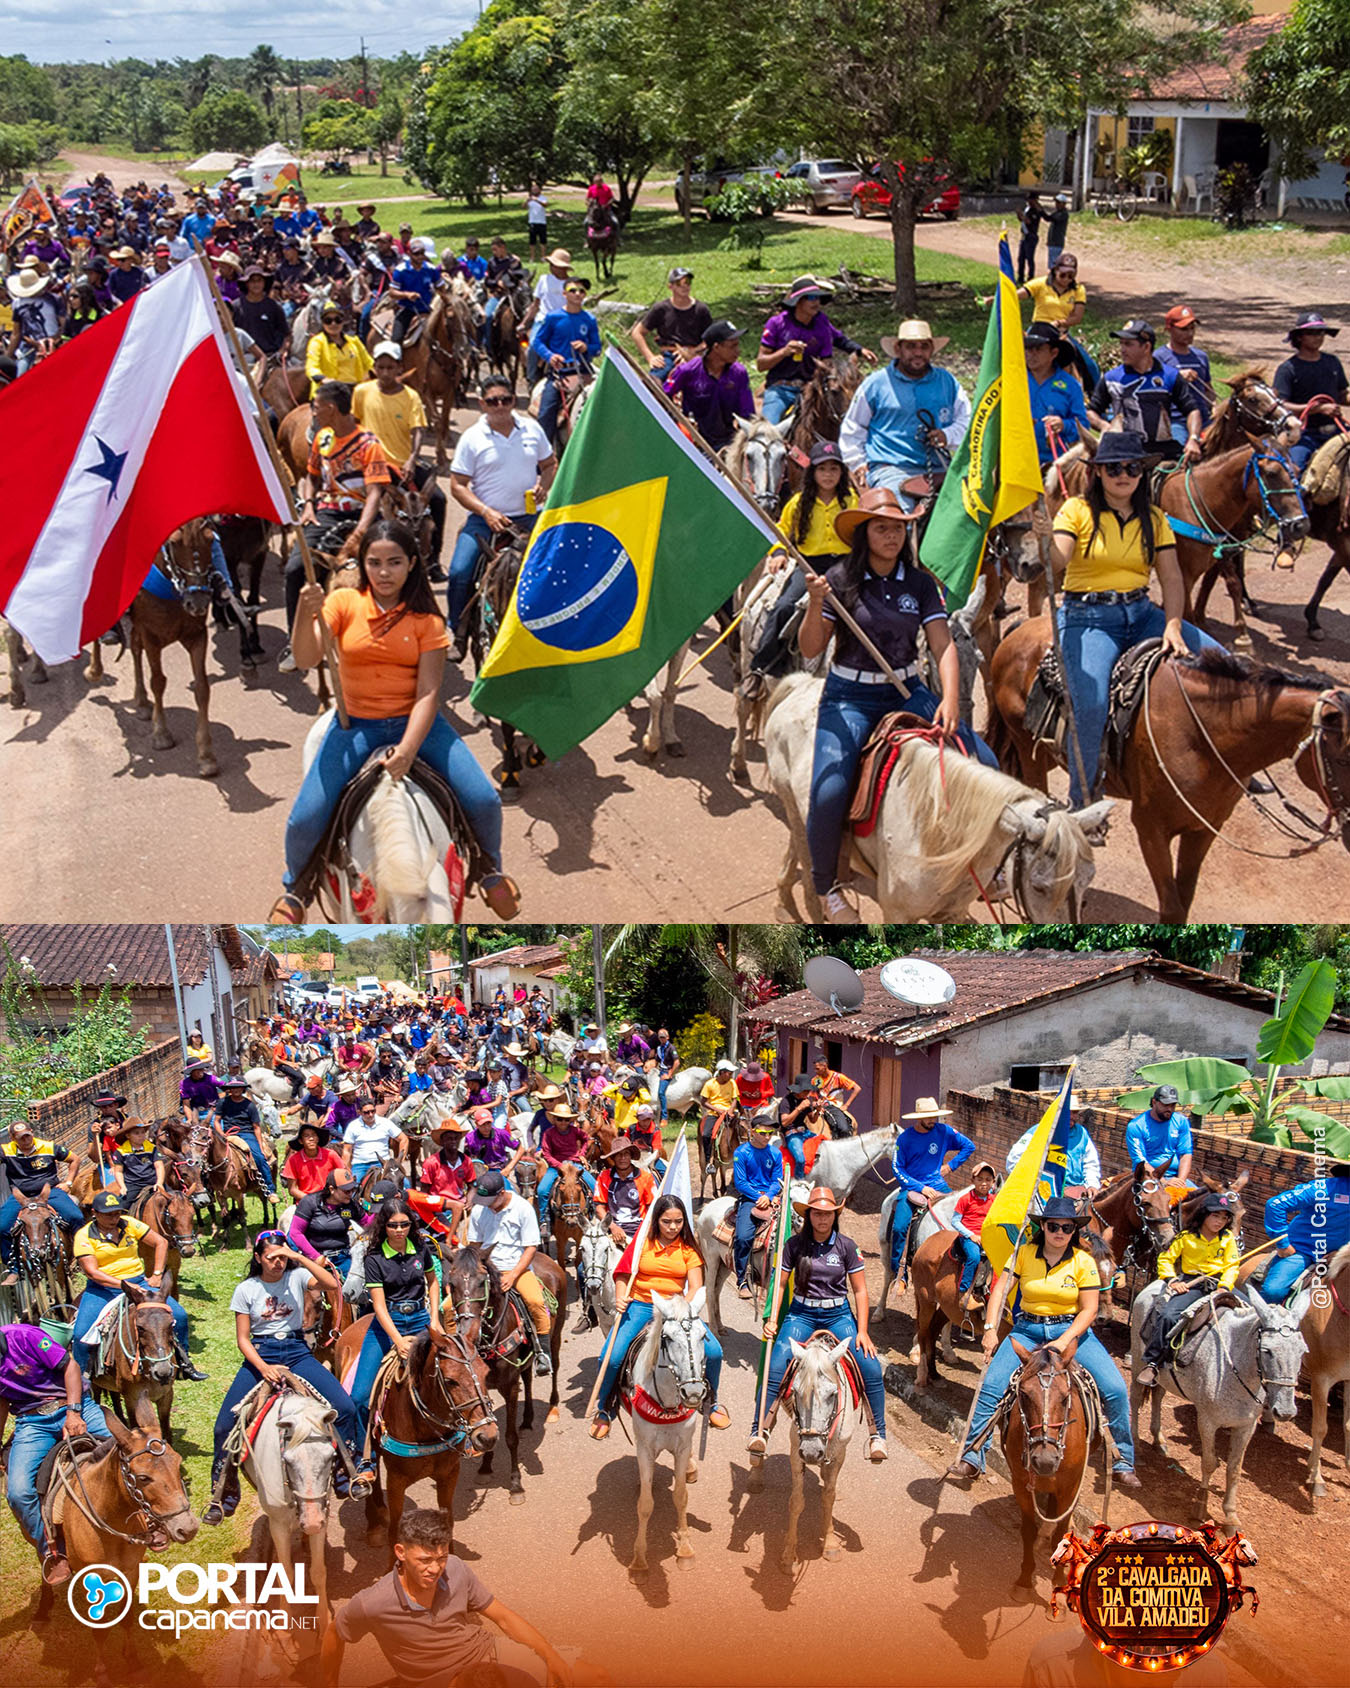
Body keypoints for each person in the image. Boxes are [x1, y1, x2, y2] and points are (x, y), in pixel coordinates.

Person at [273, 520, 519, 922]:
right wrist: (305, 612)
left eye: (394, 562)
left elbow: (428, 693)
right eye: (374, 562)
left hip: (417, 726)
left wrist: (407, 750)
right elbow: (304, 659)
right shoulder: (343, 603)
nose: (384, 572)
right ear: (363, 565)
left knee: (484, 799)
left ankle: (490, 870)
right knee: (304, 817)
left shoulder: (428, 621)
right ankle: (296, 890)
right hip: (355, 726)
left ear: (411, 565)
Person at [799, 486, 999, 920]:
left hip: (908, 690)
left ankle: (989, 862)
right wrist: (815, 604)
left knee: (987, 762)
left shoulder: (921, 584)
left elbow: (942, 645)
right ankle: (826, 887)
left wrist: (949, 699)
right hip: (849, 696)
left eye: (898, 529)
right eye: (882, 528)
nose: (891, 536)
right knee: (828, 790)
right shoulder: (838, 580)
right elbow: (812, 647)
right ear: (864, 534)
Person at [1051, 429, 1221, 806]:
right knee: (1092, 703)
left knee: (1224, 662)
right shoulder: (1075, 511)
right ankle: (1082, 800)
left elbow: (1172, 578)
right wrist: (1041, 540)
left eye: (1132, 467)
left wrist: (1174, 623)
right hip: (1088, 617)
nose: (1123, 474)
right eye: (1113, 468)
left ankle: (1235, 764)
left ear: (1142, 474)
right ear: (1098, 472)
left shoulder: (1155, 518)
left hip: (1143, 612)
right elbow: (1057, 560)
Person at [946, 1196, 1138, 1486]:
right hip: (1027, 1329)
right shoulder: (1023, 1253)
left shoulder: (1083, 1261)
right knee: (990, 1387)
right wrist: (988, 1328)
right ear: (1043, 1227)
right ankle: (974, 1454)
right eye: (1053, 1226)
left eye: (1067, 1227)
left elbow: (1089, 1310)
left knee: (1115, 1389)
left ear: (1074, 1230)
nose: (1060, 1232)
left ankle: (1122, 1457)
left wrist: (1064, 1340)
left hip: (1073, 1332)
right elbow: (999, 1291)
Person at [205, 1228, 365, 1523]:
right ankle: (223, 1495)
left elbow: (331, 1284)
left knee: (343, 1407)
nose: (277, 1263)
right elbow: (242, 1338)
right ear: (258, 1258)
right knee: (223, 1425)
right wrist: (263, 1368)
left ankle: (349, 1473)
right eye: (271, 1258)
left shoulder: (298, 1277)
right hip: (260, 1353)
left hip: (296, 1350)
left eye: (281, 1257)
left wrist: (297, 1257)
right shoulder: (246, 1289)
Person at [321, 1505, 574, 1688]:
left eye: (440, 1558)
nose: (434, 1569)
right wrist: (329, 1683)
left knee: (594, 1677)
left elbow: (504, 1617)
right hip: (439, 1679)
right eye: (425, 1560)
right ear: (400, 1552)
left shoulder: (455, 1567)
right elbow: (335, 1633)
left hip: (485, 1652)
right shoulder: (372, 1603)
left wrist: (551, 1656)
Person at [749, 1185, 886, 1460]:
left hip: (838, 1316)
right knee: (777, 1363)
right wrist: (773, 1319)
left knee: (870, 1365)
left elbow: (860, 1290)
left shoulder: (847, 1246)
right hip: (802, 1314)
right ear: (808, 1215)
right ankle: (760, 1430)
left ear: (835, 1215)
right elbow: (780, 1284)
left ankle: (877, 1435)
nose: (822, 1219)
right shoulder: (794, 1246)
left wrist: (862, 1331)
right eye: (817, 1214)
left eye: (828, 1214)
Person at [591, 1194, 727, 1438]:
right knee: (610, 1358)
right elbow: (622, 1274)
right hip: (641, 1305)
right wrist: (621, 1296)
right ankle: (605, 1407)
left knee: (715, 1352)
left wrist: (681, 1310)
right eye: (666, 1221)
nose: (673, 1227)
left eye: (678, 1221)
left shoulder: (688, 1250)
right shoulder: (642, 1243)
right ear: (656, 1221)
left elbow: (696, 1287)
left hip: (676, 1308)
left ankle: (711, 1402)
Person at [445, 371, 555, 650]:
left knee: (559, 566)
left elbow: (549, 463)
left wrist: (544, 485)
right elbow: (457, 485)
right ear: (482, 404)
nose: (501, 406)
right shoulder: (471, 438)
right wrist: (486, 512)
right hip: (487, 520)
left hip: (529, 516)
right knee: (459, 571)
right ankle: (458, 631)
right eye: (493, 401)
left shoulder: (532, 429)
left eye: (506, 400)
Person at [0, 1313, 110, 1584]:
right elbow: (2, 1401)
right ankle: (53, 1552)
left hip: (73, 1405)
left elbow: (70, 1367)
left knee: (128, 1450)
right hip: (31, 1422)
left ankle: (150, 1522)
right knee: (17, 1492)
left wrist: (73, 1413)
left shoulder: (25, 1335)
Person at [749, 440, 858, 680]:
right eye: (822, 469)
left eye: (834, 469)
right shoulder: (798, 503)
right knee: (783, 607)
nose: (828, 475)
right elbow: (780, 532)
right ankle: (763, 667)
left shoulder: (852, 502)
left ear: (842, 473)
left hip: (845, 567)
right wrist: (779, 552)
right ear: (813, 473)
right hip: (809, 567)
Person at [71, 1192, 205, 1379]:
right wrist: (123, 1285)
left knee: (180, 1316)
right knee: (81, 1334)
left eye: (117, 1213)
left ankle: (183, 1363)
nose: (114, 1218)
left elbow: (160, 1242)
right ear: (95, 1213)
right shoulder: (84, 1236)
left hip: (139, 1283)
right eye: (108, 1214)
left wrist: (157, 1274)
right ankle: (81, 1377)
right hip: (102, 1288)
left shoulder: (129, 1223)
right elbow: (92, 1272)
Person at [839, 319, 971, 504]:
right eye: (911, 346)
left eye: (924, 346)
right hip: (890, 468)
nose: (918, 352)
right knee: (901, 518)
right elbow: (854, 426)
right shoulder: (876, 384)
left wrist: (946, 435)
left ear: (931, 350)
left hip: (939, 465)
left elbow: (967, 420)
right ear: (898, 349)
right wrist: (858, 463)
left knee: (966, 511)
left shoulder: (947, 381)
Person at [349, 1196, 446, 1449]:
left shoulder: (421, 1248)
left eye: (404, 1224)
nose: (399, 1230)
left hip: (421, 1319)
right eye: (393, 1225)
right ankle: (362, 1456)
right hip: (386, 1326)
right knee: (359, 1397)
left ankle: (461, 1434)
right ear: (384, 1226)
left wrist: (434, 1319)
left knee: (455, 1370)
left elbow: (433, 1282)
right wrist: (397, 1340)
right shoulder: (374, 1258)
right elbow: (378, 1305)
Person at [1134, 1192, 1242, 1388]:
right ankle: (1153, 1362)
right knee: (1168, 1315)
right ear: (1204, 1215)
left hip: (1220, 1285)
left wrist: (1224, 1286)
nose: (1220, 1221)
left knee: (1250, 1314)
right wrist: (1173, 1281)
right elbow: (1166, 1259)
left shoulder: (1227, 1239)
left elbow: (1232, 1266)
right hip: (1193, 1285)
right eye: (1215, 1216)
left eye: (1224, 1217)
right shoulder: (1185, 1237)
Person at [756, 276, 875, 427]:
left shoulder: (821, 321)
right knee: (767, 430)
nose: (816, 302)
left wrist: (859, 350)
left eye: (818, 297)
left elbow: (838, 341)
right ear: (798, 301)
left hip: (811, 387)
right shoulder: (777, 324)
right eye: (811, 298)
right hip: (781, 388)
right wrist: (784, 352)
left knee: (841, 414)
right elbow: (761, 364)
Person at [466, 1171, 553, 1375]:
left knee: (536, 1302)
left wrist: (513, 1275)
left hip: (516, 1267)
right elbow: (475, 1244)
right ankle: (458, 1352)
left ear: (502, 1193)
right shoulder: (480, 1210)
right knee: (452, 1306)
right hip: (485, 1269)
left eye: (490, 1199)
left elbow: (531, 1247)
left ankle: (543, 1353)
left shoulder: (522, 1208)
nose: (486, 1204)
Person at [1088, 319, 1203, 462]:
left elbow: (1192, 410)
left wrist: (1193, 439)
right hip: (1123, 453)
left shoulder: (1170, 376)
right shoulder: (1111, 378)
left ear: (1147, 347)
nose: (1122, 349)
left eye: (1128, 344)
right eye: (1121, 343)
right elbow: (1091, 412)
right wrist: (1104, 426)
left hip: (1163, 454)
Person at [887, 1095, 975, 1278]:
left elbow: (968, 1146)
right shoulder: (904, 1139)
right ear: (918, 1117)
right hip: (911, 1187)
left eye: (934, 1116)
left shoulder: (944, 1131)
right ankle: (899, 1272)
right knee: (899, 1227)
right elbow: (897, 1168)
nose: (932, 1120)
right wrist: (920, 1187)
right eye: (928, 1117)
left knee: (961, 1218)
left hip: (938, 1185)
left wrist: (950, 1167)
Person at [1259, 1160, 1350, 1304]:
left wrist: (1341, 1253)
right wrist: (1282, 1244)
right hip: (1303, 1251)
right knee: (1274, 1291)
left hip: (1339, 1255)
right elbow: (1275, 1205)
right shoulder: (1323, 1188)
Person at [0, 1119, 83, 1269]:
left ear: (32, 1133)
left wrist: (68, 1183)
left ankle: (82, 1256)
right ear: (12, 1138)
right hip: (21, 1196)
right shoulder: (5, 1150)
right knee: (2, 1227)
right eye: (21, 1138)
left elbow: (75, 1159)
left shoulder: (48, 1147)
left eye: (27, 1135)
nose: (26, 1140)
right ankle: (13, 1268)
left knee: (76, 1217)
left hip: (49, 1192)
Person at [530, 276, 602, 446]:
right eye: (573, 290)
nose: (578, 294)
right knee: (546, 413)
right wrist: (550, 356)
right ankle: (544, 458)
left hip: (584, 371)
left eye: (582, 291)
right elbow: (538, 342)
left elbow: (597, 348)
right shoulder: (553, 317)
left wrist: (586, 348)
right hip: (559, 374)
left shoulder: (589, 320)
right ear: (564, 294)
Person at [664, 319, 757, 450]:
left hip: (727, 442)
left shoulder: (739, 373)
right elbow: (663, 397)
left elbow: (748, 414)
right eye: (732, 346)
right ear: (716, 347)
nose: (738, 351)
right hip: (694, 442)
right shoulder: (688, 371)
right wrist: (678, 422)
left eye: (737, 345)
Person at [1274, 311, 1346, 475]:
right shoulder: (1287, 369)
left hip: (1336, 430)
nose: (1318, 337)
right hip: (1303, 434)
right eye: (1312, 333)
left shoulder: (1332, 362)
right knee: (1293, 471)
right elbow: (1280, 405)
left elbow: (1342, 394)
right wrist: (1317, 409)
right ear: (1299, 337)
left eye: (1321, 332)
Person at [1024, 322, 1089, 467]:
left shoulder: (1071, 386)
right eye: (1028, 349)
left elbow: (1083, 425)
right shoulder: (1014, 381)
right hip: (1020, 461)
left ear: (1053, 353)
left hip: (1056, 463)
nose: (1031, 355)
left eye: (1038, 349)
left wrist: (1063, 425)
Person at [731, 1116, 783, 1298]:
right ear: (752, 1131)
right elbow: (740, 1182)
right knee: (743, 1237)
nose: (767, 1137)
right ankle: (742, 1280)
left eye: (770, 1133)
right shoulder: (741, 1152)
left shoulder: (776, 1154)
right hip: (749, 1198)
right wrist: (758, 1197)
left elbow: (777, 1181)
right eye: (763, 1132)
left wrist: (768, 1196)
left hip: (772, 1197)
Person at [1006, 1098, 1101, 1197]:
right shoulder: (1040, 1131)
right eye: (1067, 1112)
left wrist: (1092, 1185)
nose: (1071, 1116)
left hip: (1076, 1190)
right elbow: (1014, 1160)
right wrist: (1031, 1183)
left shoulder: (1082, 1134)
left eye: (1074, 1112)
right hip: (1045, 1191)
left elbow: (1091, 1164)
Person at [632, 266, 712, 380]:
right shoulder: (661, 308)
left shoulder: (701, 309)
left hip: (695, 355)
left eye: (688, 282)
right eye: (680, 283)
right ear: (670, 286)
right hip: (669, 356)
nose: (685, 286)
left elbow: (711, 340)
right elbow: (637, 333)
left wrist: (692, 352)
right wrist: (650, 357)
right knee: (652, 383)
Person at [288, 1168, 364, 1280]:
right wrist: (316, 1257)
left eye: (353, 1189)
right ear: (332, 1189)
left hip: (343, 1258)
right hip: (314, 1259)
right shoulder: (310, 1202)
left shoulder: (351, 1205)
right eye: (346, 1191)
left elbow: (369, 1223)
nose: (351, 1194)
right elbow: (295, 1232)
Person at [211, 1075, 277, 1197]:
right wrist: (221, 1134)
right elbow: (216, 1121)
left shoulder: (249, 1105)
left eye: (239, 1087)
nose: (236, 1090)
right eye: (233, 1088)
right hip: (229, 1134)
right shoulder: (223, 1103)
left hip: (247, 1133)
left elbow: (256, 1127)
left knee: (259, 1158)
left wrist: (260, 1146)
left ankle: (270, 1189)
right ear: (229, 1089)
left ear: (243, 1089)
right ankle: (208, 1189)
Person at [1156, 304, 1214, 441]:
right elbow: (1153, 386)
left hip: (1204, 419)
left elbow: (1208, 389)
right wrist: (1177, 377)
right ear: (1169, 329)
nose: (1189, 333)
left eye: (1192, 328)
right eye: (1183, 329)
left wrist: (1214, 407)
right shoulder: (1159, 357)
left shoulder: (1201, 357)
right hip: (1176, 421)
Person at [535, 1102, 595, 1227]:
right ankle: (544, 1220)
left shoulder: (575, 1131)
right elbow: (546, 1153)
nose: (563, 1122)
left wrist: (581, 1154)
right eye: (560, 1119)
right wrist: (559, 1165)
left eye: (566, 1120)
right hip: (556, 1167)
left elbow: (586, 1139)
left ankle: (593, 1213)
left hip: (574, 1164)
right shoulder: (549, 1133)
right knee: (542, 1190)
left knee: (595, 1186)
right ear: (554, 1120)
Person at [951, 1161, 999, 1311]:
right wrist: (970, 1235)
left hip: (987, 1237)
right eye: (980, 1179)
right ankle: (964, 1293)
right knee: (974, 1257)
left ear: (993, 1182)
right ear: (972, 1181)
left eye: (988, 1180)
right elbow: (955, 1221)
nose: (984, 1183)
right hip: (969, 1236)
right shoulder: (965, 1199)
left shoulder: (994, 1200)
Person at [305, 303, 374, 400]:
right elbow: (311, 367)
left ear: (343, 321)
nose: (333, 324)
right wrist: (324, 379)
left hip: (354, 390)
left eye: (338, 320)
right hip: (329, 392)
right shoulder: (317, 342)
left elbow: (369, 362)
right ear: (323, 323)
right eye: (328, 321)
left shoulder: (354, 341)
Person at [594, 1137, 656, 1245]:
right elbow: (599, 1208)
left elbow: (653, 1208)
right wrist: (613, 1227)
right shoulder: (603, 1177)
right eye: (618, 1154)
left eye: (626, 1154)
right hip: (611, 1226)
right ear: (613, 1157)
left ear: (631, 1156)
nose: (622, 1158)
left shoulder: (645, 1177)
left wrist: (646, 1230)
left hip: (639, 1228)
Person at [5, 266, 60, 375]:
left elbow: (16, 334)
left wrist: (8, 355)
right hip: (32, 347)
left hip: (48, 347)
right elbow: (16, 333)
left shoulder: (53, 299)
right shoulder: (18, 303)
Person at [342, 1096, 409, 1182]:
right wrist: (347, 1169)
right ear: (359, 1112)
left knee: (405, 1185)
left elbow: (403, 1139)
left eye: (373, 1111)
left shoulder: (385, 1123)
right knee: (352, 1189)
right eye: (366, 1112)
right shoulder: (353, 1126)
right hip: (361, 1165)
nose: (371, 1115)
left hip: (384, 1164)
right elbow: (347, 1150)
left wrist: (399, 1162)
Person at [389, 239, 442, 345]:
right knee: (396, 339)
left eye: (422, 253)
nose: (420, 256)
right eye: (416, 254)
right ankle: (397, 359)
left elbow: (441, 288)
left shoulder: (431, 269)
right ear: (409, 254)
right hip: (407, 309)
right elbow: (392, 292)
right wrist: (406, 295)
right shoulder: (401, 270)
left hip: (427, 308)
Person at [232, 265, 288, 355]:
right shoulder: (236, 307)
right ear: (246, 284)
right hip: (244, 357)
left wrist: (282, 351)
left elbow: (286, 334)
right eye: (252, 281)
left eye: (259, 280)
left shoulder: (273, 306)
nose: (256, 284)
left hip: (270, 355)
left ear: (264, 283)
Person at [282, 1123, 346, 1201]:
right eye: (306, 1136)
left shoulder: (331, 1155)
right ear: (301, 1141)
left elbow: (343, 1176)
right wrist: (311, 1200)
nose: (311, 1139)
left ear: (318, 1138)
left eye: (314, 1135)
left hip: (329, 1199)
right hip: (306, 1201)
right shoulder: (293, 1160)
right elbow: (292, 1189)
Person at [1016, 190, 1043, 284]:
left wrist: (1022, 215)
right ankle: (1020, 277)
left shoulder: (1036, 211)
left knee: (1029, 258)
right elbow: (1022, 220)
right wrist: (1019, 214)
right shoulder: (1027, 209)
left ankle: (1030, 277)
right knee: (1021, 258)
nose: (1029, 202)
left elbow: (1029, 221)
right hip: (1024, 236)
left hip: (1031, 236)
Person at [654, 1027, 680, 1121]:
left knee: (661, 1093)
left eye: (663, 1037)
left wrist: (669, 1074)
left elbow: (676, 1062)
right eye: (660, 1037)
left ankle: (664, 1116)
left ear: (667, 1037)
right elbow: (657, 1061)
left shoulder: (671, 1048)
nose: (662, 1039)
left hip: (667, 1071)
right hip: (659, 1070)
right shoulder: (659, 1048)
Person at [1045, 192, 1071, 270]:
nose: (1056, 204)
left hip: (1056, 243)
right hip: (1053, 242)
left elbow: (1049, 218)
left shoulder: (1063, 214)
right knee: (1051, 263)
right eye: (1056, 202)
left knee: (1053, 265)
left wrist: (1040, 210)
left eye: (1059, 202)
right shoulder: (1057, 213)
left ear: (1064, 204)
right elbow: (1048, 218)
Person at [525, 182, 549, 264]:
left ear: (539, 190)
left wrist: (537, 200)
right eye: (533, 190)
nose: (535, 191)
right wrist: (527, 201)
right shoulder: (530, 199)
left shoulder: (543, 198)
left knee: (543, 241)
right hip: (532, 221)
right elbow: (524, 206)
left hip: (542, 222)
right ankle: (532, 257)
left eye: (536, 189)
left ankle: (543, 257)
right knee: (532, 241)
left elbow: (545, 205)